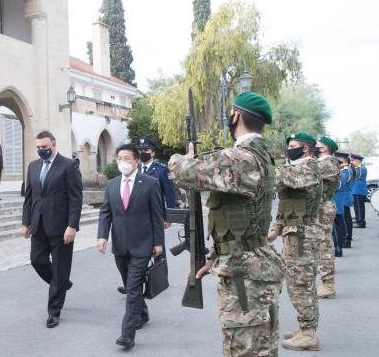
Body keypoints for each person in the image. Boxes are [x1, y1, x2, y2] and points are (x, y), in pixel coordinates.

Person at [169, 91, 283, 357]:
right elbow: (244, 221)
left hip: (243, 277)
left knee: (244, 350)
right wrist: (212, 257)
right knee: (261, 347)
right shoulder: (264, 155)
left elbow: (180, 171)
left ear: (236, 116)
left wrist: (185, 156)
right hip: (254, 266)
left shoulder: (241, 158)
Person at [97, 143, 164, 349]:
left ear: (136, 160)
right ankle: (142, 314)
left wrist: (158, 242)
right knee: (129, 285)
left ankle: (127, 334)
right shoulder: (112, 185)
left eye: (127, 158)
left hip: (143, 244)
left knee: (133, 288)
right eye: (119, 158)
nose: (123, 162)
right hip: (120, 244)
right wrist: (102, 237)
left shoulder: (150, 183)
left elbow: (156, 214)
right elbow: (106, 213)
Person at [21, 130, 83, 329]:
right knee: (37, 260)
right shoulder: (33, 166)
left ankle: (54, 311)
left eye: (44, 148)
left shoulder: (69, 165)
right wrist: (25, 222)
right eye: (38, 148)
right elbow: (29, 197)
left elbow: (76, 198)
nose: (41, 151)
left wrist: (72, 226)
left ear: (54, 145)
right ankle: (62, 283)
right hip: (38, 225)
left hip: (61, 227)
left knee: (60, 268)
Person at [268, 131, 322, 351]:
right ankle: (305, 327)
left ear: (306, 149)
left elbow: (282, 177)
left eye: (292, 145)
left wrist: (261, 166)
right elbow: (286, 203)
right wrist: (276, 229)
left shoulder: (309, 168)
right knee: (295, 281)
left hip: (303, 235)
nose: (289, 149)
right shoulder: (296, 169)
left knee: (301, 283)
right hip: (293, 232)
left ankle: (309, 334)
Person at [114, 136, 175, 295]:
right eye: (140, 151)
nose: (142, 153)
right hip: (139, 218)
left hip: (156, 215)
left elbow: (169, 194)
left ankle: (159, 278)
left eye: (145, 150)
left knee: (158, 249)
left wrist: (168, 217)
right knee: (138, 252)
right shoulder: (135, 169)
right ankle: (133, 284)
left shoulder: (161, 170)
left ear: (153, 153)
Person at [313, 136, 341, 299]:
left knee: (324, 245)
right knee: (320, 244)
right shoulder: (324, 162)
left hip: (323, 207)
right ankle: (324, 283)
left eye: (317, 146)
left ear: (324, 149)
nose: (314, 148)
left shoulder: (327, 163)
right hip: (320, 207)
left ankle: (328, 284)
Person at [333, 152, 353, 256]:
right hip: (338, 201)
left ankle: (339, 247)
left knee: (339, 225)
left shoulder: (343, 173)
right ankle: (341, 244)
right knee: (339, 224)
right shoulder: (342, 172)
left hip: (338, 201)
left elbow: (338, 185)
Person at [350, 154, 368, 228]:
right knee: (357, 207)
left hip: (359, 191)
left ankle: (361, 222)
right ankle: (358, 219)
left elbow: (354, 175)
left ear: (358, 161)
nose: (352, 162)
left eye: (353, 160)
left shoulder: (361, 168)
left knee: (359, 207)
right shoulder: (358, 168)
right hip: (356, 190)